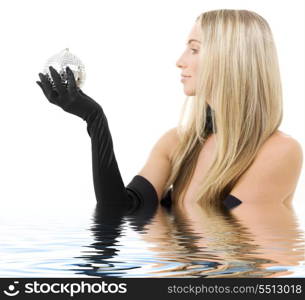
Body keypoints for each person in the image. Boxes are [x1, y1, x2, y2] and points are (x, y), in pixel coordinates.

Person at [36, 9, 303, 213]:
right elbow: (120, 210)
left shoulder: (278, 151)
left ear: (230, 58)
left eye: (194, 49)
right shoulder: (178, 142)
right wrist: (94, 119)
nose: (180, 61)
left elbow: (229, 242)